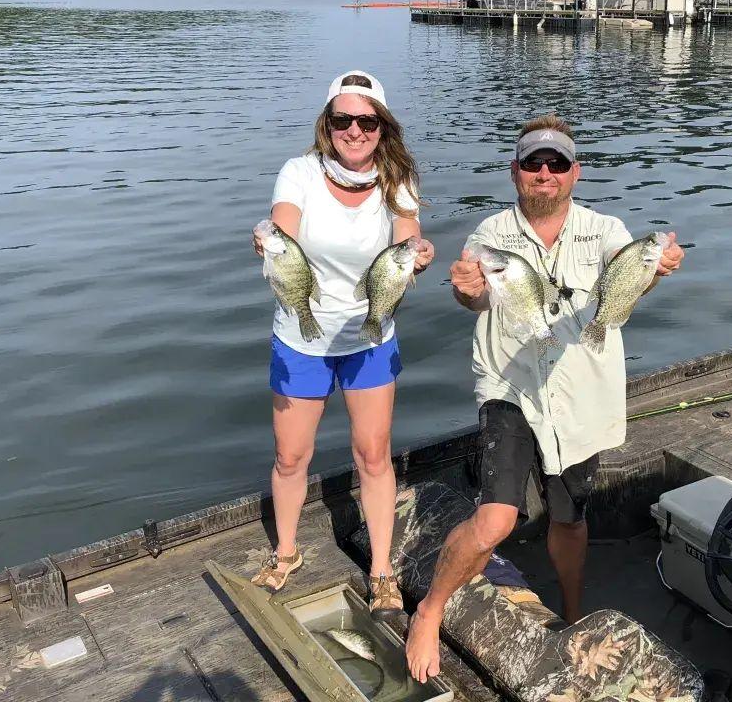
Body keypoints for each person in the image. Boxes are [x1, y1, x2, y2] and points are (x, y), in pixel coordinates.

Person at [405, 114, 684, 681]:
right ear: (515, 172)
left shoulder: (606, 232)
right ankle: (430, 610)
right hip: (511, 386)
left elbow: (626, 284)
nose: (545, 173)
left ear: (574, 173)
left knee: (570, 517)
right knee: (495, 521)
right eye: (533, 162)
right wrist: (466, 290)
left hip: (580, 394)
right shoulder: (489, 237)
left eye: (557, 163)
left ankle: (574, 612)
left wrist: (656, 268)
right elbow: (475, 301)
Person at [250, 71, 435, 612]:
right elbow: (281, 224)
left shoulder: (398, 179)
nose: (355, 131)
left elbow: (407, 241)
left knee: (373, 455)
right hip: (300, 337)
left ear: (384, 127)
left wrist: (417, 255)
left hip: (369, 334)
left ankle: (381, 572)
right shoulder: (299, 173)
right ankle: (285, 553)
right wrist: (267, 240)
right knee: (291, 456)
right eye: (343, 119)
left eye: (367, 120)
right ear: (327, 124)